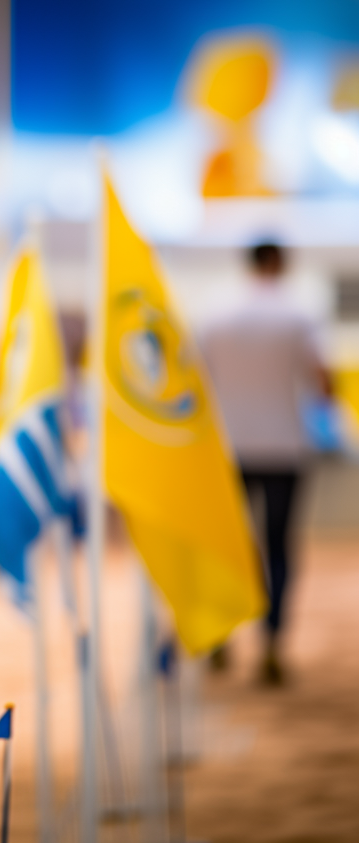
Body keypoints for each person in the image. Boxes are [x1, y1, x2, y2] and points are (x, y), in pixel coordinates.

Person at [200, 241, 330, 684]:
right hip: (284, 445)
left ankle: (219, 635)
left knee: (227, 544)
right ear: (279, 263)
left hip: (228, 445)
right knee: (277, 545)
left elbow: (197, 378)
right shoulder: (297, 315)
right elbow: (323, 379)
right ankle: (272, 645)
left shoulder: (215, 314)